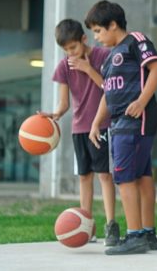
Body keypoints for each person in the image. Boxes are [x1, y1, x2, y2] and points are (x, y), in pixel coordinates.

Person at [85, 1, 157, 255]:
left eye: (98, 31)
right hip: (120, 122)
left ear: (113, 25)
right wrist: (97, 121)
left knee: (124, 177)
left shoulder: (135, 41)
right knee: (142, 176)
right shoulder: (109, 60)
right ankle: (148, 233)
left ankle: (134, 236)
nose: (96, 38)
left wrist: (141, 101)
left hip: (135, 120)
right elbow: (108, 94)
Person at [42, 19, 119, 246]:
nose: (69, 53)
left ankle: (111, 226)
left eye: (73, 48)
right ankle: (87, 227)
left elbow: (110, 87)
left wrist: (87, 69)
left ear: (84, 39)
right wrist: (55, 114)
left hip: (102, 126)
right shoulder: (64, 67)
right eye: (66, 50)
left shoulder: (104, 56)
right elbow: (64, 103)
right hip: (79, 129)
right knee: (85, 177)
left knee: (104, 175)